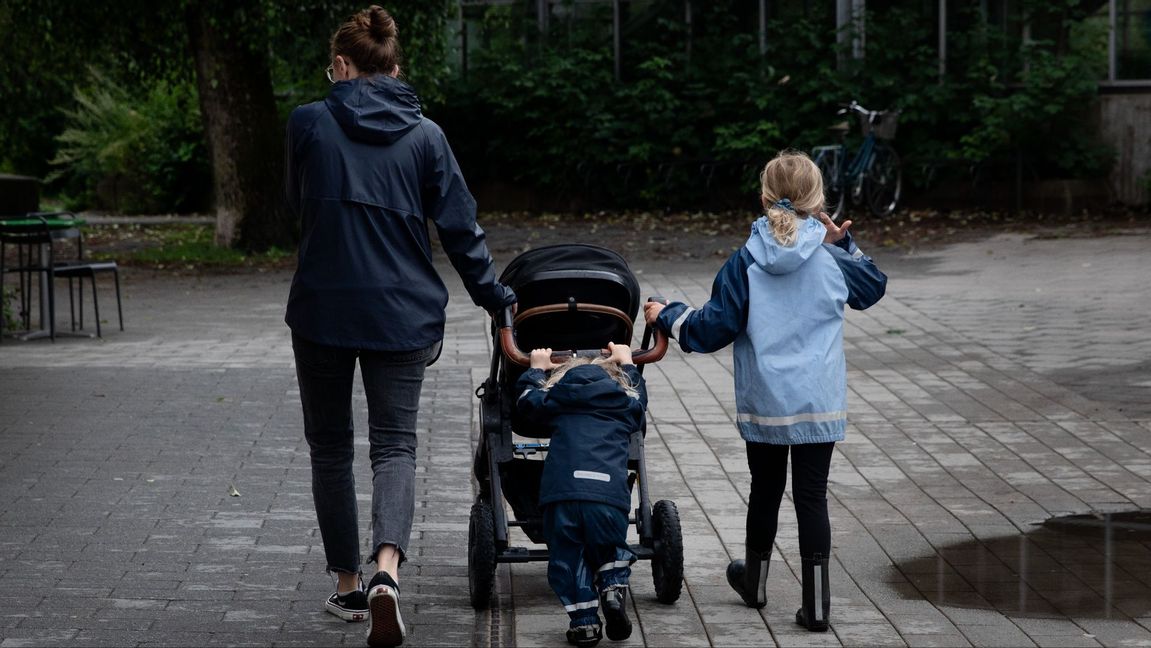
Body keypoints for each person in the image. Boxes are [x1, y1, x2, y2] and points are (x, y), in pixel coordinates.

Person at [283, 6, 516, 647]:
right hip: (401, 313)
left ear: (341, 66)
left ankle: (345, 587)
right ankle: (387, 572)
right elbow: (462, 230)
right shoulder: (427, 137)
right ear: (395, 66)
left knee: (330, 447)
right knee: (395, 446)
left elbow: (293, 209)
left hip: (322, 309)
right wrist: (494, 297)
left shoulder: (308, 124)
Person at [643, 150, 886, 632]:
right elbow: (873, 288)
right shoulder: (833, 258)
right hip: (819, 400)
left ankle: (754, 583)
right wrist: (845, 243)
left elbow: (710, 329)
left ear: (763, 197)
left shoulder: (745, 262)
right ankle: (816, 607)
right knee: (812, 497)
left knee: (766, 490)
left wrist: (666, 313)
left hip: (768, 401)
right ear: (819, 201)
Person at [515, 343, 647, 648]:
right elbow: (640, 400)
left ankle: (584, 624)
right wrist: (628, 364)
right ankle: (612, 589)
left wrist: (536, 368)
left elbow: (525, 403)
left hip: (561, 496)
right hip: (607, 496)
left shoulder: (556, 400)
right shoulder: (623, 402)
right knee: (609, 549)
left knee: (568, 558)